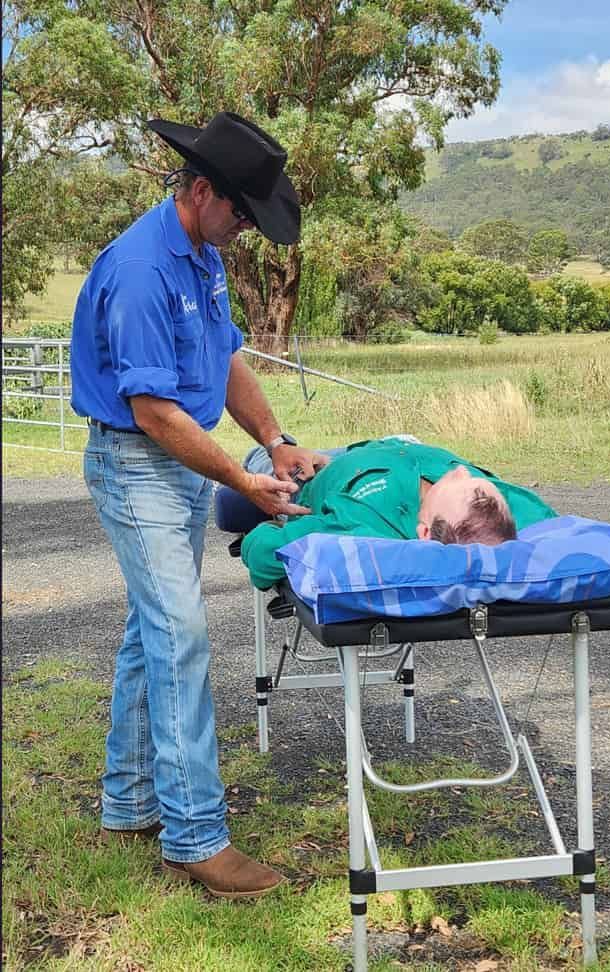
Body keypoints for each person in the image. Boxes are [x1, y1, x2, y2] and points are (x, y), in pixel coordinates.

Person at [69, 111, 327, 899]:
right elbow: (153, 414)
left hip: (178, 462)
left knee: (150, 636)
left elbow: (224, 360)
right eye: (241, 213)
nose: (246, 229)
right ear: (201, 189)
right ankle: (195, 837)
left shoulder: (203, 256)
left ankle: (129, 802)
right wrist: (244, 483)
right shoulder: (144, 268)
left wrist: (275, 440)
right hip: (137, 461)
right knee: (180, 638)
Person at [240, 437, 558, 590]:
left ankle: (260, 455)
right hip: (396, 444)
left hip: (306, 475)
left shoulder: (362, 529)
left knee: (260, 456)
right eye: (474, 479)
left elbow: (262, 553)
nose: (462, 470)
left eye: (452, 483)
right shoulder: (507, 511)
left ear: (423, 532)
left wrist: (272, 521)